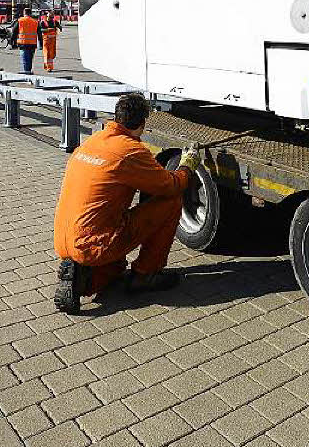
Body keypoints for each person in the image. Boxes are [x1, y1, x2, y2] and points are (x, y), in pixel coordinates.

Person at [53, 93, 202, 313]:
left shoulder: (93, 141)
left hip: (65, 240)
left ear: (117, 116)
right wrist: (187, 166)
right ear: (142, 123)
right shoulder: (131, 151)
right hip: (96, 242)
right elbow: (170, 185)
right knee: (171, 201)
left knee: (117, 268)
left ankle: (82, 277)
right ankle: (145, 275)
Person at [11, 8, 41, 75]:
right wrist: (41, 44)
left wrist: (12, 43)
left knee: (25, 60)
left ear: (24, 13)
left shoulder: (20, 21)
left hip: (23, 44)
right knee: (30, 60)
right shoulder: (35, 22)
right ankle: (29, 71)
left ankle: (27, 74)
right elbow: (39, 34)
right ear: (30, 13)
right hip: (32, 44)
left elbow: (14, 32)